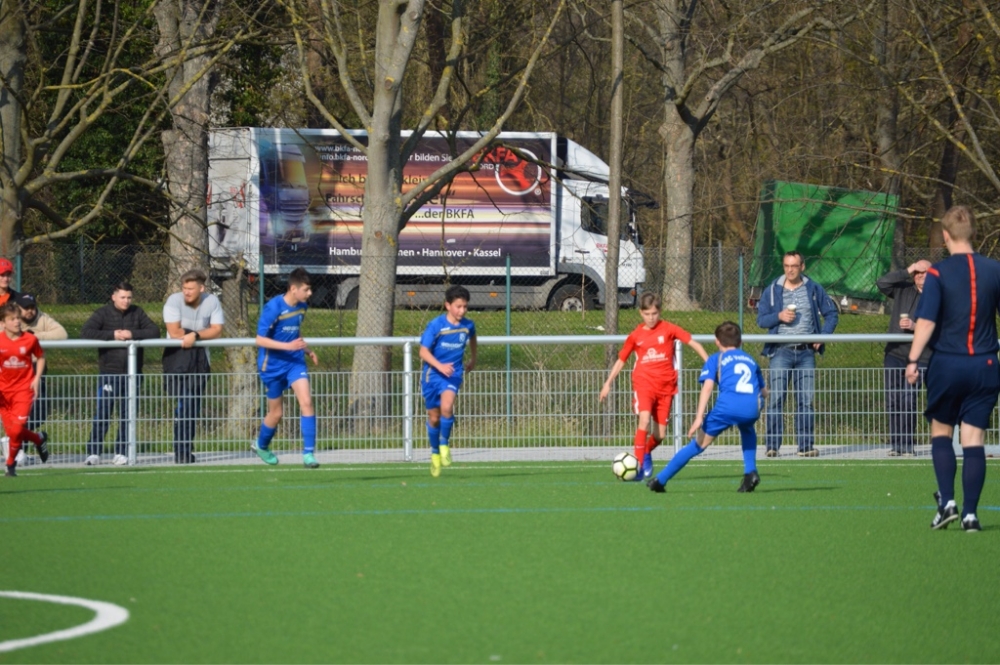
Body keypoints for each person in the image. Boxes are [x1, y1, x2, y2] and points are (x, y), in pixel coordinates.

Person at [905, 205, 1000, 532]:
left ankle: (947, 502)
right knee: (974, 440)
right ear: (973, 233)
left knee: (941, 433)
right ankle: (971, 515)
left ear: (945, 236)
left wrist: (913, 359)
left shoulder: (937, 273)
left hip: (947, 363)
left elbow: (926, 321)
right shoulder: (995, 270)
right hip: (986, 364)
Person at [600, 292, 708, 480]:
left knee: (660, 435)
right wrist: (608, 383)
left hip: (666, 387)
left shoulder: (669, 329)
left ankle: (646, 451)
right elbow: (621, 360)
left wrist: (709, 363)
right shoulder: (636, 336)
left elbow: (694, 343)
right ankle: (638, 468)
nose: (651, 318)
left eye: (654, 314)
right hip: (644, 384)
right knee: (644, 421)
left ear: (660, 312)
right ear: (641, 313)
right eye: (647, 314)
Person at [648, 321, 767, 493]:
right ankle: (751, 472)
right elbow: (764, 392)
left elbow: (708, 387)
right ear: (740, 342)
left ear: (717, 341)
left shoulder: (716, 359)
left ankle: (660, 480)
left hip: (727, 408)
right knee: (747, 427)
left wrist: (699, 417)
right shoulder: (751, 360)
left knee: (697, 444)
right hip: (752, 407)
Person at [756, 251, 839, 457]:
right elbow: (761, 320)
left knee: (806, 401)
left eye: (794, 266)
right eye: (786, 266)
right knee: (776, 400)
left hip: (806, 353)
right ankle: (772, 447)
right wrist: (779, 316)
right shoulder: (772, 290)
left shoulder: (814, 288)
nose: (790, 270)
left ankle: (805, 446)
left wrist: (823, 336)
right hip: (780, 352)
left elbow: (831, 314)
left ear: (802, 267)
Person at [80, 282, 160, 466]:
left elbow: (154, 331)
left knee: (127, 414)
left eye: (129, 297)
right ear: (113, 297)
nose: (126, 301)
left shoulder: (137, 312)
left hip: (133, 374)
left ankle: (122, 452)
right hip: (109, 373)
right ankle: (93, 452)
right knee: (103, 413)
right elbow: (86, 332)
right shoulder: (102, 313)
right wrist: (112, 335)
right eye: (122, 297)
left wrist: (132, 333)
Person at [251, 268, 320, 468]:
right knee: (276, 413)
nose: (309, 293)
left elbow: (294, 333)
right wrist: (287, 346)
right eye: (306, 290)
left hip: (294, 363)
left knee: (306, 402)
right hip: (271, 366)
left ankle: (308, 454)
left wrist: (306, 350)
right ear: (293, 288)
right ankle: (261, 445)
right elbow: (260, 340)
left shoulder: (302, 307)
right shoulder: (273, 308)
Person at [162, 269, 225, 464]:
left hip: (200, 360)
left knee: (193, 406)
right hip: (177, 358)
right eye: (184, 288)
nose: (186, 292)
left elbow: (217, 331)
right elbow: (174, 332)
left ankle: (186, 449)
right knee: (185, 403)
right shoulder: (174, 301)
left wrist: (195, 335)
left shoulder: (212, 301)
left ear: (202, 288)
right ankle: (180, 450)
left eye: (191, 288)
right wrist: (199, 333)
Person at [419, 285, 477, 477]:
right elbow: (423, 352)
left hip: (453, 373)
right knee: (434, 418)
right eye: (458, 306)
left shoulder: (467, 325)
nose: (462, 311)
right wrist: (440, 366)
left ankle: (444, 444)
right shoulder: (436, 326)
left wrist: (473, 358)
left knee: (447, 407)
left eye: (465, 306)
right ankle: (435, 453)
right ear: (448, 305)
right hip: (432, 375)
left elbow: (473, 338)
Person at [876, 260, 932, 456]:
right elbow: (882, 283)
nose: (920, 276)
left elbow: (942, 328)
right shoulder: (903, 289)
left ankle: (908, 446)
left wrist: (916, 327)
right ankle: (896, 445)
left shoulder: (938, 296)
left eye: (924, 272)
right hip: (894, 354)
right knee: (893, 400)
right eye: (917, 273)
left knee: (908, 399)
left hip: (921, 357)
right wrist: (909, 269)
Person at [0, 302, 49, 476]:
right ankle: (38, 438)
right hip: (3, 392)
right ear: (3, 323)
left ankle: (10, 464)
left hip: (23, 390)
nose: (17, 322)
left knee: (17, 429)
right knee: (12, 431)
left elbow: (41, 357)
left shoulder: (30, 339)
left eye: (18, 318)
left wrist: (36, 379)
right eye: (12, 319)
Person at [18, 294, 67, 435]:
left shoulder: (42, 318)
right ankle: (22, 442)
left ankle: (19, 438)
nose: (30, 311)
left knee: (40, 411)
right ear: (18, 308)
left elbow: (62, 334)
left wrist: (35, 337)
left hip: (36, 368)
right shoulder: (11, 318)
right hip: (14, 368)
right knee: (19, 411)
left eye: (32, 307)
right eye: (26, 308)